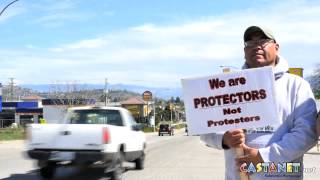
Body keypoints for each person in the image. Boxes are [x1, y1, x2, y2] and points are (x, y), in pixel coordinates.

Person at [200, 25, 318, 180]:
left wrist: (263, 157)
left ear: (276, 47)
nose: (256, 46)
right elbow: (206, 129)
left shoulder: (297, 86)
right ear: (244, 52)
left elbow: (307, 133)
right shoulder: (227, 87)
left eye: (263, 41)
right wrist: (223, 139)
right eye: (250, 43)